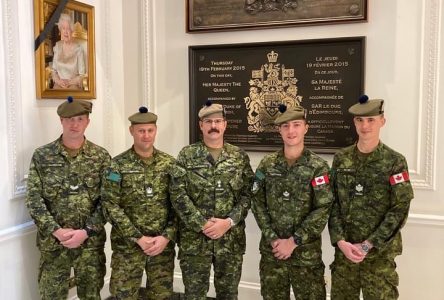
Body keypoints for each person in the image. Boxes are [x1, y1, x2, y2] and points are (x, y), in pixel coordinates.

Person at [328, 95, 414, 299]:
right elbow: (332, 203)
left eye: (371, 120)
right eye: (359, 120)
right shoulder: (341, 158)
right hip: (345, 254)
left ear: (382, 121)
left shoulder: (395, 161)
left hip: (379, 256)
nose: (365, 126)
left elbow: (400, 208)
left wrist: (368, 244)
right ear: (354, 122)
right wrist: (340, 241)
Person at [26, 96, 110, 300]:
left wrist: (86, 231)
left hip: (89, 244)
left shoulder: (101, 157)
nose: (75, 124)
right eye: (69, 119)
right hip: (54, 245)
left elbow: (109, 201)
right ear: (61, 121)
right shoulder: (42, 156)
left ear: (88, 122)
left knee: (91, 296)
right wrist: (56, 231)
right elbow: (34, 199)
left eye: (80, 119)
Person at [169, 101, 254, 300]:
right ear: (201, 125)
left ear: (225, 124)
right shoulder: (187, 155)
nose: (213, 126)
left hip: (229, 241)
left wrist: (229, 222)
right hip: (195, 241)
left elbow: (248, 194)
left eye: (217, 121)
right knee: (195, 295)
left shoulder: (239, 157)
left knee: (228, 294)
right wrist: (202, 224)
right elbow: (177, 193)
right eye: (208, 121)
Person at [251, 104, 333, 299]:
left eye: (296, 124)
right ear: (279, 130)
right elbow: (257, 202)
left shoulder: (318, 167)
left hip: (306, 256)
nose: (291, 131)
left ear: (306, 127)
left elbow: (323, 208)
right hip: (273, 253)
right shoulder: (267, 164)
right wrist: (273, 238)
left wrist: (294, 241)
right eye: (285, 126)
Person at [102, 107, 176, 300]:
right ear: (131, 131)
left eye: (150, 130)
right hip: (128, 246)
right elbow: (110, 205)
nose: (146, 135)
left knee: (161, 296)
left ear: (156, 131)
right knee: (123, 296)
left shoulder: (169, 164)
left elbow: (179, 204)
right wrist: (138, 237)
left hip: (161, 246)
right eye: (141, 131)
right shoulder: (117, 165)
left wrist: (166, 237)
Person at [51, 13, 86, 90]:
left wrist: (69, 82)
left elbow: (82, 74)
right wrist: (59, 81)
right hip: (58, 84)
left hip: (73, 85)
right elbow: (53, 71)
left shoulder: (78, 49)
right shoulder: (57, 46)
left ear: (72, 31)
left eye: (68, 29)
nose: (66, 32)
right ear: (60, 31)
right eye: (63, 28)